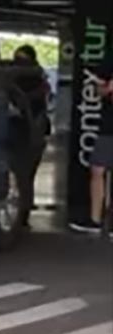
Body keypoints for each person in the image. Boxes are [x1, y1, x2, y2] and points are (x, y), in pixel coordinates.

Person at [70, 46, 113, 236]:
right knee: (97, 169)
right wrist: (107, 89)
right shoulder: (110, 60)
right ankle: (95, 220)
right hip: (109, 125)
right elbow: (99, 89)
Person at [10, 45, 51, 227]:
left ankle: (22, 213)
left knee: (22, 175)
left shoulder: (14, 81)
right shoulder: (40, 80)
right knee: (26, 175)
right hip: (33, 132)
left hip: (25, 132)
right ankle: (23, 213)